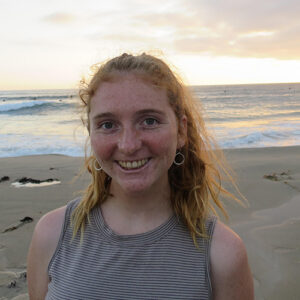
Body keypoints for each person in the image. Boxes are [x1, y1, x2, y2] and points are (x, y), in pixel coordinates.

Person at [27, 53, 254, 299]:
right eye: (108, 125)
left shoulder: (222, 254)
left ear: (181, 131)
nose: (128, 145)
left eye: (149, 120)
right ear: (90, 133)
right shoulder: (52, 234)